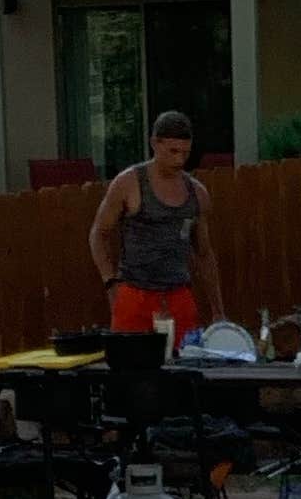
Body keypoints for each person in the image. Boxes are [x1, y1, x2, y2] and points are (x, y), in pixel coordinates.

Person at [91, 111, 226, 344]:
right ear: (155, 143)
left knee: (184, 369)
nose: (179, 160)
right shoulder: (129, 183)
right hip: (135, 294)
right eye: (172, 152)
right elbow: (98, 234)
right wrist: (111, 283)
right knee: (130, 370)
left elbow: (204, 253)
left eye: (185, 153)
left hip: (178, 295)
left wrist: (218, 310)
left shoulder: (197, 193)